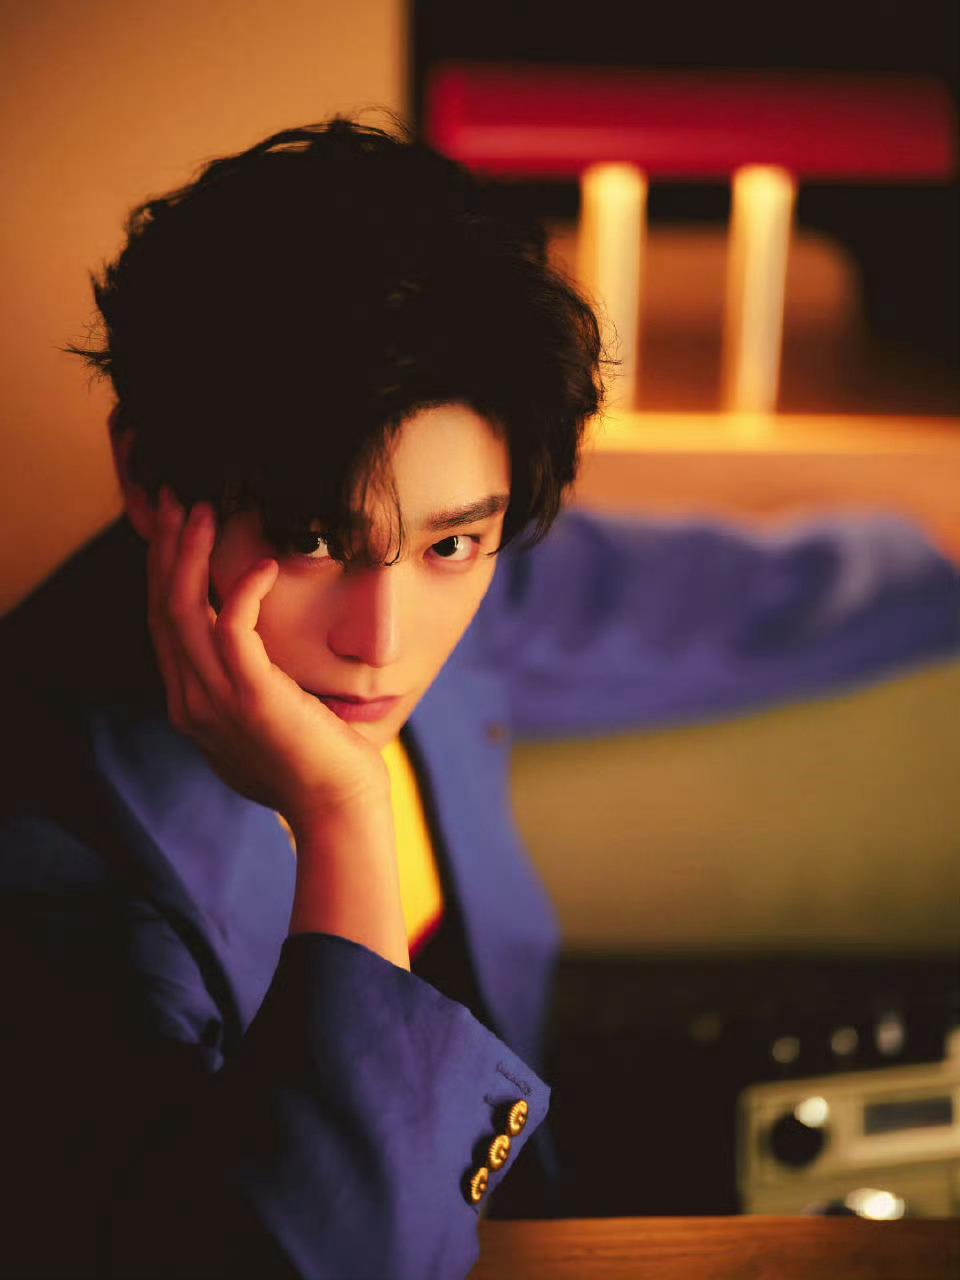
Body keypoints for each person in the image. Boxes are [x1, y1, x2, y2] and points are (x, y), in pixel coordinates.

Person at [2, 117, 958, 1279]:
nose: (381, 642)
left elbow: (746, 597)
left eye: (452, 542)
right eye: (311, 539)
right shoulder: (54, 864)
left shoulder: (473, 586)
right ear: (148, 473)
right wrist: (342, 817)